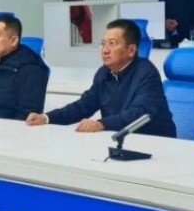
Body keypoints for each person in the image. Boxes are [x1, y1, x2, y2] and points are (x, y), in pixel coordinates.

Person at [26, 19, 176, 136]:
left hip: (155, 144)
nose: (105, 50)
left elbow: (140, 113)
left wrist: (102, 124)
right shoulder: (104, 73)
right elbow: (83, 106)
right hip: (119, 141)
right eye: (103, 44)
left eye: (112, 44)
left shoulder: (146, 72)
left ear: (131, 50)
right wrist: (46, 118)